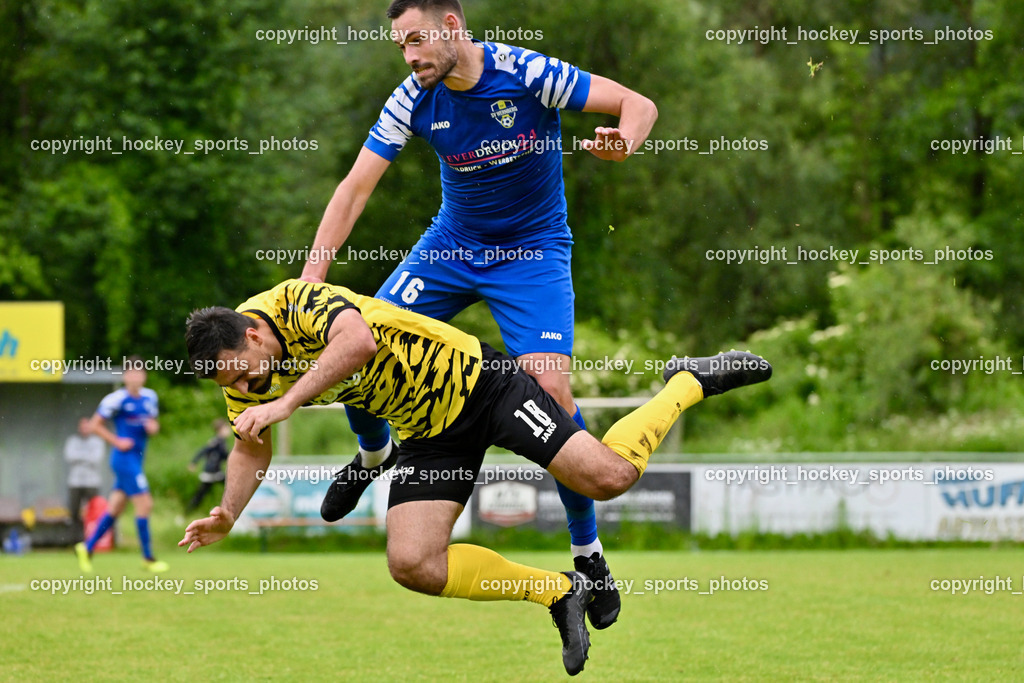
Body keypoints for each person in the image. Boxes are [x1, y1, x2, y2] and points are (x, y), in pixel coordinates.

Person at [179, 280, 771, 675]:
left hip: (481, 384)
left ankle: (688, 381)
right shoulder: (241, 374)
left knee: (610, 477)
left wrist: (282, 404)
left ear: (254, 335)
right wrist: (230, 512)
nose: (246, 391)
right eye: (233, 387)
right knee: (412, 563)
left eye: (248, 377)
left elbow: (355, 341)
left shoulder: (295, 302)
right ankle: (559, 590)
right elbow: (248, 447)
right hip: (428, 435)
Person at [300, 0, 659, 628]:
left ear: (452, 28)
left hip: (532, 253)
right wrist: (311, 280)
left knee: (550, 393)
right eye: (400, 46)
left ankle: (588, 554)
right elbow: (354, 187)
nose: (410, 56)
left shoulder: (527, 73)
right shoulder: (411, 96)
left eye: (417, 40)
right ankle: (372, 455)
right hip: (452, 247)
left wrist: (624, 142)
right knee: (359, 348)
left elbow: (639, 104)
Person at [75, 356, 167, 573]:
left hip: (137, 458)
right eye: (132, 373)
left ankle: (86, 547)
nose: (136, 377)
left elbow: (152, 424)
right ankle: (148, 558)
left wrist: (153, 427)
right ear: (125, 376)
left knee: (115, 508)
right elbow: (94, 425)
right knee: (145, 504)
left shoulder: (150, 398)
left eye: (140, 372)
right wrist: (116, 441)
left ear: (144, 376)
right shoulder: (115, 399)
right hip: (123, 460)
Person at [64, 416, 106, 538]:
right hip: (75, 482)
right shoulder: (72, 441)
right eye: (82, 426)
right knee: (74, 513)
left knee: (94, 513)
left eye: (87, 426)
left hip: (92, 482)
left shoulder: (98, 442)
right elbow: (69, 457)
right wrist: (87, 457)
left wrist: (79, 458)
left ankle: (93, 540)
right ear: (79, 428)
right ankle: (75, 541)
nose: (85, 429)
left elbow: (96, 459)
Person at [185, 419, 231, 514]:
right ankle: (186, 514)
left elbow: (225, 456)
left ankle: (229, 512)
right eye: (226, 428)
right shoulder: (216, 441)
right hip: (211, 472)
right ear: (220, 430)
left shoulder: (222, 442)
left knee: (231, 488)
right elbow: (203, 451)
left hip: (217, 472)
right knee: (200, 495)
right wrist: (194, 462)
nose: (229, 431)